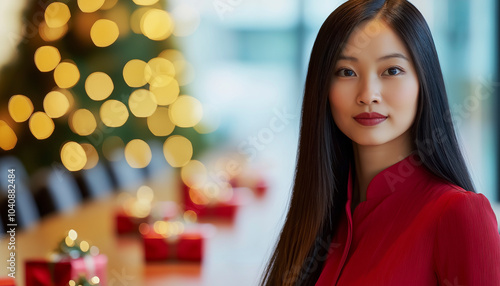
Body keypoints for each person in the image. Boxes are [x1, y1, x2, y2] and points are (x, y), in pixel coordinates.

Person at [260, 0, 500, 285]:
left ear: (424, 81)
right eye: (347, 72)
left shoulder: (460, 215)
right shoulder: (321, 213)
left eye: (392, 70)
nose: (368, 94)